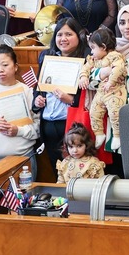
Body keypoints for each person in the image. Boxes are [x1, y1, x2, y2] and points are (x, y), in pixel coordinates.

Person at [33, 17, 88, 180]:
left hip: (71, 124)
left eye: (68, 34)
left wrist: (70, 100)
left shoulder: (86, 59)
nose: (63, 39)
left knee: (76, 169)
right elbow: (39, 88)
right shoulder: (46, 56)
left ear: (78, 36)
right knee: (57, 169)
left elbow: (89, 97)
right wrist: (37, 101)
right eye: (59, 35)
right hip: (49, 123)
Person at [78, 28, 127, 147]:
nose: (91, 51)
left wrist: (110, 81)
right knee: (94, 112)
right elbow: (85, 68)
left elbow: (119, 68)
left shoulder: (114, 56)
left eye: (93, 48)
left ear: (103, 47)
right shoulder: (94, 59)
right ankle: (99, 134)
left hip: (115, 91)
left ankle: (117, 135)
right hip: (101, 92)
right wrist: (83, 77)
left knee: (115, 112)